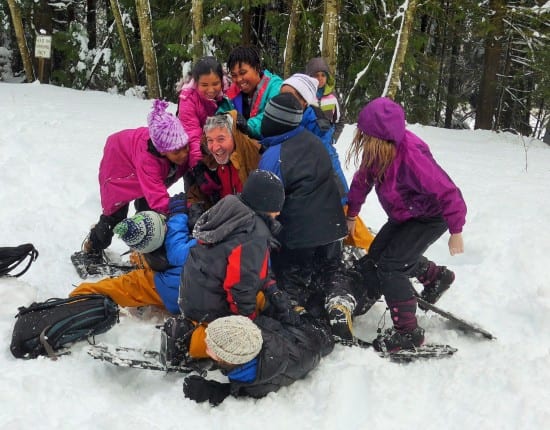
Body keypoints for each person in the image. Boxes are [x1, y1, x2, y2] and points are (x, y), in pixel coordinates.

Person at [345, 97, 466, 353]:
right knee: (376, 257)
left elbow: (449, 192)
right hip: (405, 215)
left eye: (367, 137)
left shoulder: (412, 157)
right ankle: (436, 276)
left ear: (382, 138)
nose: (363, 142)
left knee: (391, 266)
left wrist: (456, 230)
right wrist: (352, 214)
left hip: (431, 216)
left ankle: (408, 333)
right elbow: (361, 182)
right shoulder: (376, 153)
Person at [257, 93, 359, 342]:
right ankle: (338, 301)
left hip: (298, 233)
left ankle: (297, 310)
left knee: (290, 277)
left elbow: (265, 202)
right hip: (332, 225)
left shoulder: (274, 155)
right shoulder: (313, 141)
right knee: (332, 269)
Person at [167, 170, 297, 362]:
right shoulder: (253, 236)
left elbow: (253, 268)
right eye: (275, 207)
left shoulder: (232, 211)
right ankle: (191, 341)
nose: (278, 212)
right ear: (263, 204)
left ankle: (196, 328)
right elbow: (240, 287)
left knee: (267, 307)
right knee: (251, 342)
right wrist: (247, 325)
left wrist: (272, 291)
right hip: (213, 307)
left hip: (195, 295)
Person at [82, 100, 190, 259]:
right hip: (119, 168)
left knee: (149, 214)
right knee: (114, 218)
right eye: (176, 152)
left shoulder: (175, 143)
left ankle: (143, 249)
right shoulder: (148, 162)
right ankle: (93, 244)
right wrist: (181, 208)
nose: (183, 154)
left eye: (185, 147)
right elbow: (158, 198)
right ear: (162, 151)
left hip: (138, 164)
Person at [71, 194, 196, 314]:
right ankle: (138, 262)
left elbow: (174, 240)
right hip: (190, 296)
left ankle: (138, 262)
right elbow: (175, 240)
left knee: (121, 285)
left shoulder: (148, 281)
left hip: (163, 288)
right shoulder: (195, 247)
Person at [182, 314, 334, 406]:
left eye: (212, 348)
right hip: (299, 327)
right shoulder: (250, 334)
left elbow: (241, 391)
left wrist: (210, 391)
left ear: (230, 359)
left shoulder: (258, 381)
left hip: (320, 334)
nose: (206, 345)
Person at [184, 112, 261, 228]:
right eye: (210, 140)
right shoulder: (211, 162)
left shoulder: (255, 156)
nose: (214, 147)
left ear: (234, 136)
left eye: (221, 139)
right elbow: (196, 192)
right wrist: (195, 205)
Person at [177, 56, 232, 169]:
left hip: (223, 151)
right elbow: (192, 134)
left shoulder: (228, 92)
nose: (211, 90)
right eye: (205, 85)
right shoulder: (188, 100)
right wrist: (199, 164)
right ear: (196, 82)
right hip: (197, 155)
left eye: (215, 84)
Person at [221, 45, 283, 139]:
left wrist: (248, 126)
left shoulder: (275, 87)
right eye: (234, 75)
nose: (238, 79)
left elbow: (271, 116)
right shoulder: (233, 91)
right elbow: (223, 111)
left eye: (242, 73)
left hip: (270, 146)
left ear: (257, 68)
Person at [305, 57, 345, 143]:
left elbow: (340, 119)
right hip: (308, 138)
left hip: (327, 137)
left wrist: (334, 137)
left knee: (330, 156)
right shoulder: (305, 95)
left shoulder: (333, 96)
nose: (320, 78)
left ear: (327, 77)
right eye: (317, 75)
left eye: (323, 75)